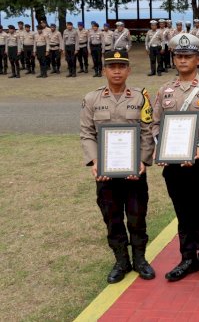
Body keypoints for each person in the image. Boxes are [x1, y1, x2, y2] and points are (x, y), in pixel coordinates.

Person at [153, 33, 199, 283]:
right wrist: (160, 148)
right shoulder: (165, 91)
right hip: (173, 164)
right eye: (179, 56)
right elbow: (155, 124)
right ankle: (187, 258)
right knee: (182, 213)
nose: (183, 60)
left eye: (188, 56)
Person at [79, 50, 156, 284]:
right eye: (112, 67)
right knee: (112, 217)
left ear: (128, 70)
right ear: (104, 70)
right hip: (106, 172)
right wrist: (95, 161)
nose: (116, 71)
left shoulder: (141, 98)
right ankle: (121, 261)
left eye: (121, 66)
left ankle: (140, 260)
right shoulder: (91, 99)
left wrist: (142, 160)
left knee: (136, 216)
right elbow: (87, 133)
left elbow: (147, 131)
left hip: (135, 171)